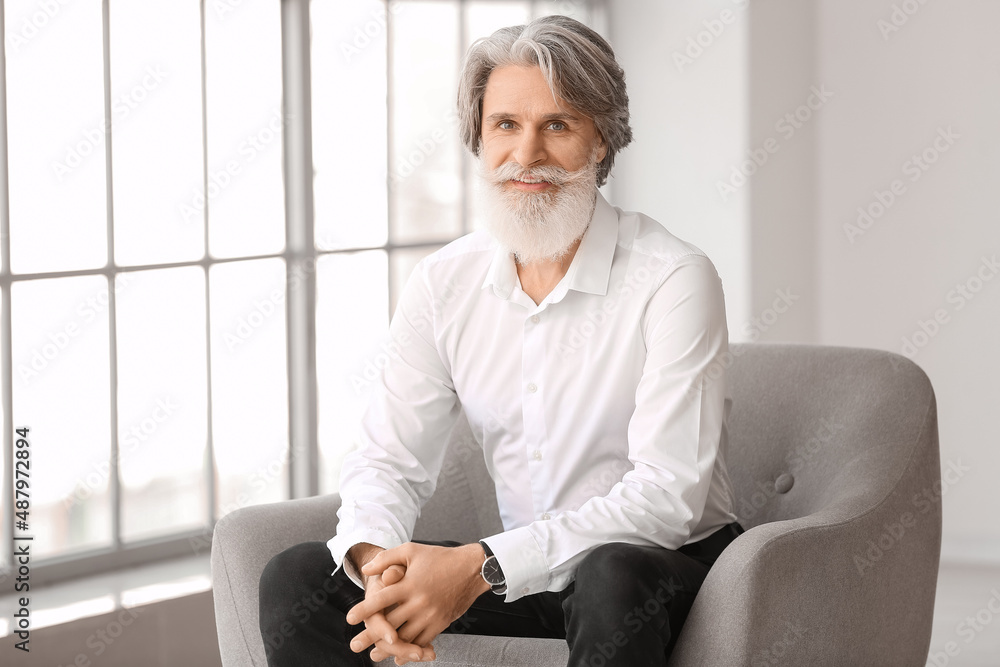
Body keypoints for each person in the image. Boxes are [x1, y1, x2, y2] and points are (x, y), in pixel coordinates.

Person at [259, 14, 743, 667]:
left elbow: (666, 497)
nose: (527, 155)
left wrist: (480, 564)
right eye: (506, 125)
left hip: (660, 564)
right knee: (299, 577)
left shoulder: (675, 278)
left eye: (558, 125)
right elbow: (388, 460)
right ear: (479, 140)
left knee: (608, 575)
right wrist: (378, 567)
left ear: (601, 142)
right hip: (526, 571)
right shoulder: (443, 282)